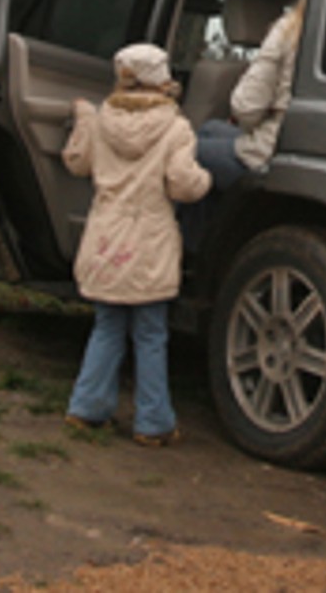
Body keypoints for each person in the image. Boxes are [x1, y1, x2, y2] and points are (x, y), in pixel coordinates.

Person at [62, 43, 211, 447]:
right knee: (150, 333)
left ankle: (87, 407)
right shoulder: (175, 127)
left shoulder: (100, 119)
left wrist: (81, 117)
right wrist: (206, 179)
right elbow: (182, 184)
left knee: (107, 325)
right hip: (150, 239)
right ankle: (153, 421)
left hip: (106, 235)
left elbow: (76, 164)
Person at [195, 0, 307, 190]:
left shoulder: (291, 28)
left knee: (182, 154)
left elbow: (246, 108)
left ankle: (183, 222)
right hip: (308, 140)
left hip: (274, 147)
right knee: (209, 129)